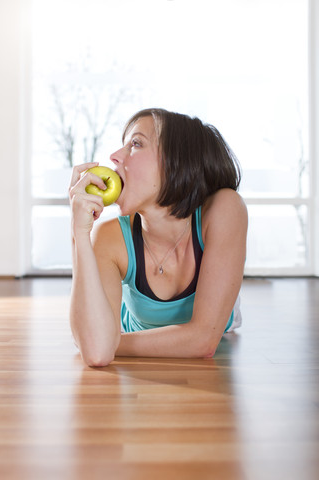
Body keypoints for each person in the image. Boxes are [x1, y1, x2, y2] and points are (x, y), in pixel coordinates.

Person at [69, 108, 248, 367]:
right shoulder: (110, 237)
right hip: (132, 343)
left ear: (178, 160)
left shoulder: (224, 209)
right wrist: (78, 233)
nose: (115, 156)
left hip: (195, 341)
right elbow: (97, 353)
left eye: (136, 143)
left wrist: (110, 342)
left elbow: (203, 340)